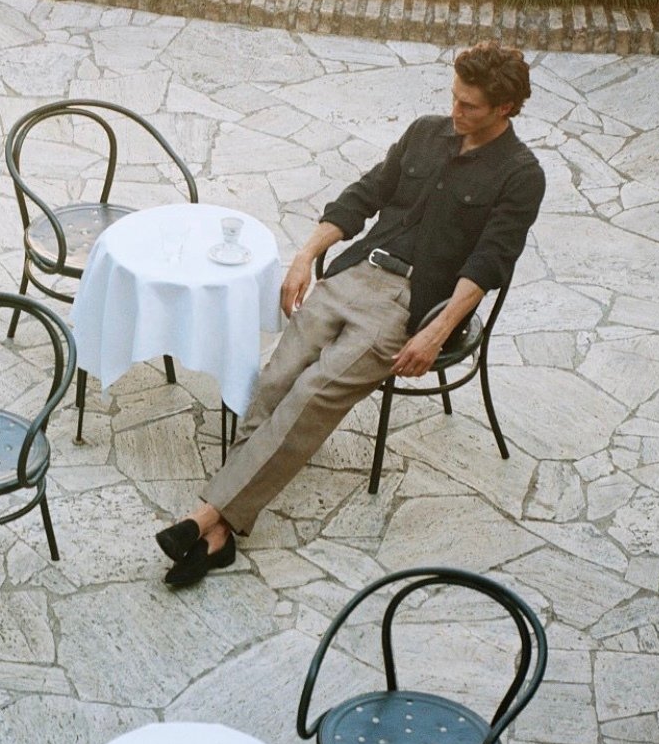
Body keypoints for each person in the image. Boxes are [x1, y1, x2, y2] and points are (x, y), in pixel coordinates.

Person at [156, 41, 546, 587]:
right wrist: (305, 256)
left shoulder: (520, 174)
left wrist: (436, 333)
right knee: (275, 384)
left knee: (312, 395)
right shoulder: (426, 132)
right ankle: (220, 534)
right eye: (454, 98)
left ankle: (202, 518)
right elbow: (363, 196)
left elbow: (489, 264)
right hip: (353, 273)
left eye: (469, 106)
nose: (455, 112)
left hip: (408, 304)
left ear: (504, 108)